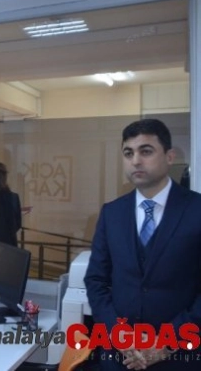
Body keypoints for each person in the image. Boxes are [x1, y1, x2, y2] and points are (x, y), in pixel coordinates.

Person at [84, 118, 201, 370]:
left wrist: (167, 343)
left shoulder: (196, 210)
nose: (136, 160)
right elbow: (95, 280)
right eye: (128, 153)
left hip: (179, 357)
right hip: (119, 356)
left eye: (145, 151)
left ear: (169, 157)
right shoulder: (112, 213)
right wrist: (117, 333)